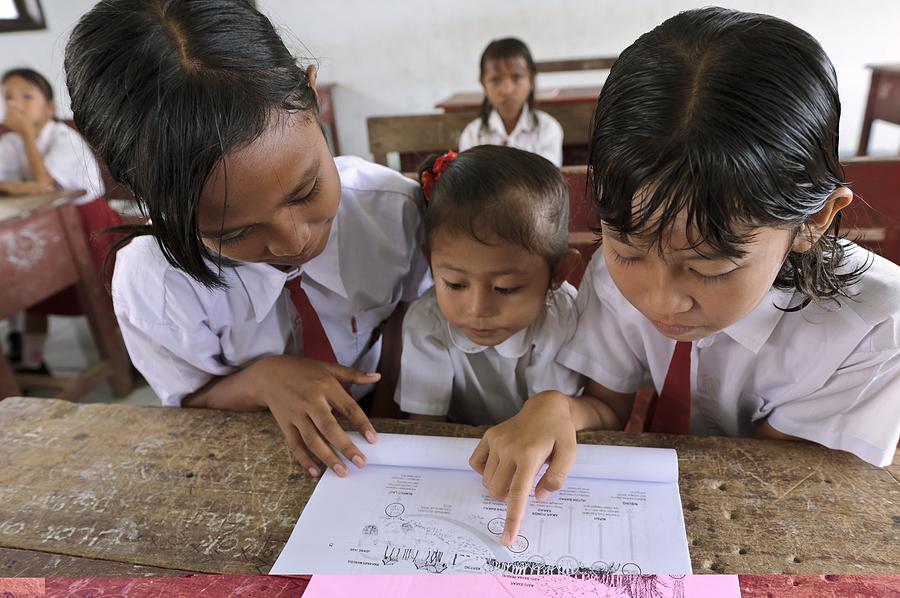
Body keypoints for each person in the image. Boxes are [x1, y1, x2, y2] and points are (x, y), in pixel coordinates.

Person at [473, 7, 900, 546]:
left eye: (709, 268)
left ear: (813, 219)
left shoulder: (873, 334)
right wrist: (557, 407)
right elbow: (610, 402)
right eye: (626, 249)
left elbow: (775, 481)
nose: (659, 299)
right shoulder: (615, 274)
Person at [64, 0, 431, 478]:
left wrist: (389, 406)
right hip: (255, 457)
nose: (292, 241)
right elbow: (189, 399)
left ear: (312, 98)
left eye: (306, 190)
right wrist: (261, 380)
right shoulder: (155, 284)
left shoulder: (393, 213)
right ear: (149, 198)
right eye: (233, 231)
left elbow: (419, 317)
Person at [396, 145, 582, 426]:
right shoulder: (427, 322)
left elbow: (548, 423)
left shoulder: (561, 318)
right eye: (455, 284)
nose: (477, 309)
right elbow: (426, 428)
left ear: (559, 273)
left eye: (506, 288)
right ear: (431, 263)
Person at [0, 67, 120, 372]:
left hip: (90, 229)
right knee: (33, 295)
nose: (17, 105)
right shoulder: (11, 144)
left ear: (51, 107)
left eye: (27, 96)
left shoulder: (64, 138)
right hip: (50, 232)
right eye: (8, 98)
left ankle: (127, 357)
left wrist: (26, 134)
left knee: (109, 295)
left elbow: (42, 185)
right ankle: (32, 362)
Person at [458, 38, 563, 166]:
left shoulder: (547, 129)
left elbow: (548, 182)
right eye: (495, 80)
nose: (507, 89)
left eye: (516, 77)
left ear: (531, 78)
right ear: (483, 82)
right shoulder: (473, 135)